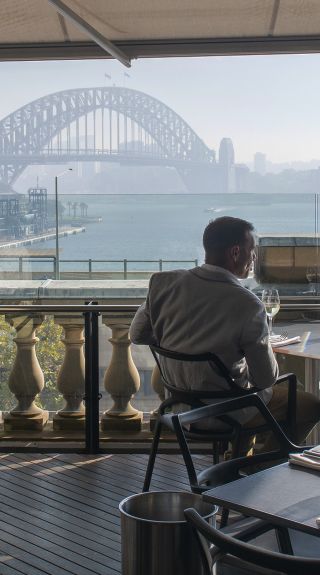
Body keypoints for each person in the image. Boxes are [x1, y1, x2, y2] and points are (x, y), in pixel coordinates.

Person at [130, 216, 320, 454]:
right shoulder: (247, 304)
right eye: (252, 252)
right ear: (236, 252)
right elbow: (266, 379)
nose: (254, 259)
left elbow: (137, 335)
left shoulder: (163, 283)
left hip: (176, 407)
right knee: (309, 405)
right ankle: (258, 469)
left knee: (242, 388)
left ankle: (235, 465)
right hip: (224, 413)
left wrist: (181, 343)